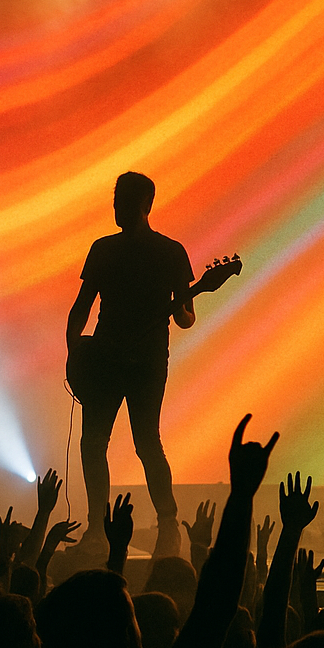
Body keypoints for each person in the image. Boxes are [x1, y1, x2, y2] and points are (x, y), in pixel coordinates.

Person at [66, 172, 194, 558]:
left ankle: (168, 525)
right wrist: (76, 354)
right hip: (104, 359)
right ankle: (95, 528)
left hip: (147, 363)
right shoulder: (102, 248)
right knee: (93, 442)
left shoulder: (171, 252)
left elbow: (186, 317)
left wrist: (181, 305)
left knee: (146, 442)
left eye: (123, 200)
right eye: (115, 199)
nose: (117, 207)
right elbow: (82, 306)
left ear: (145, 204)